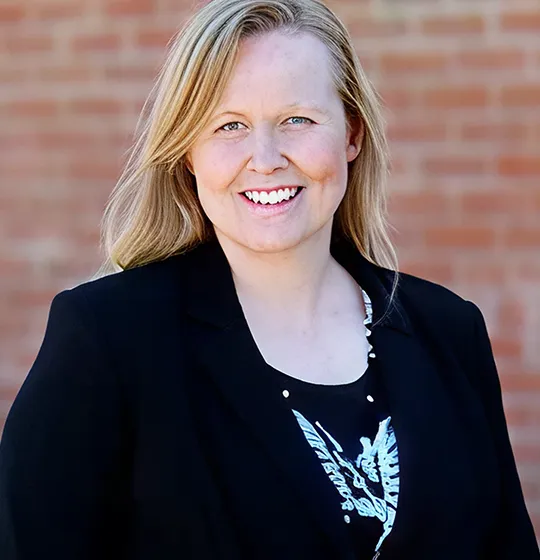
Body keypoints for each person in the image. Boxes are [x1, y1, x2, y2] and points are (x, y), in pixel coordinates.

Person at [0, 0, 538, 558]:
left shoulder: (450, 332)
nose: (265, 158)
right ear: (189, 152)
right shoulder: (107, 338)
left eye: (296, 121)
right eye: (229, 126)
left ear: (351, 134)